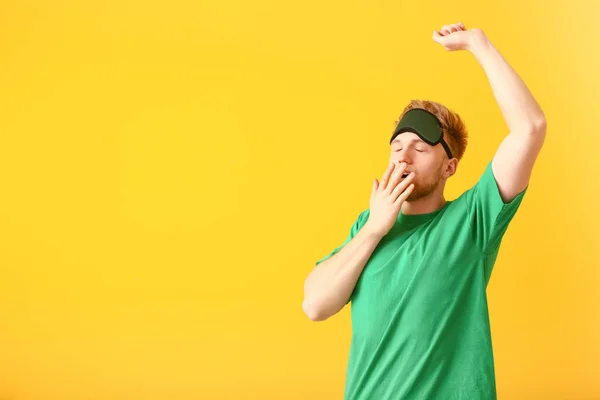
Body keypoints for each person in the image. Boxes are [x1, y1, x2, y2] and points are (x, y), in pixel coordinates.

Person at [302, 22, 547, 399]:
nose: (403, 154)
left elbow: (530, 127)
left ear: (449, 167)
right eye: (397, 145)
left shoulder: (471, 221)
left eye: (420, 147)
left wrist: (478, 45)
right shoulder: (368, 228)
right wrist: (373, 230)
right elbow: (315, 305)